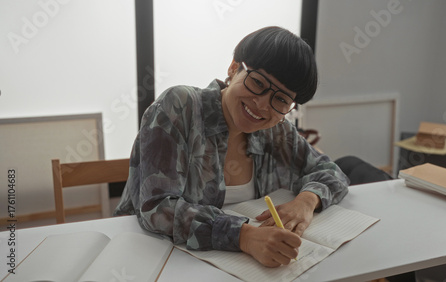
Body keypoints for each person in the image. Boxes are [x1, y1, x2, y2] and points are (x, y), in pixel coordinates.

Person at [114, 26, 349, 267]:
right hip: (149, 258)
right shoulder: (180, 107)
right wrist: (243, 236)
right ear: (234, 68)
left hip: (232, 266)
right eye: (258, 82)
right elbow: (157, 208)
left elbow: (331, 172)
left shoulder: (277, 131)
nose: (262, 105)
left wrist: (306, 202)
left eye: (280, 99)